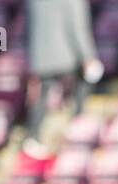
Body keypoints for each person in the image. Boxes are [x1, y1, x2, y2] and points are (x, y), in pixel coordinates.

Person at [24, 0, 104, 158]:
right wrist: (88, 57)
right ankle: (77, 124)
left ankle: (33, 137)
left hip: (41, 56)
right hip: (65, 56)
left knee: (42, 94)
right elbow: (78, 28)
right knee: (83, 80)